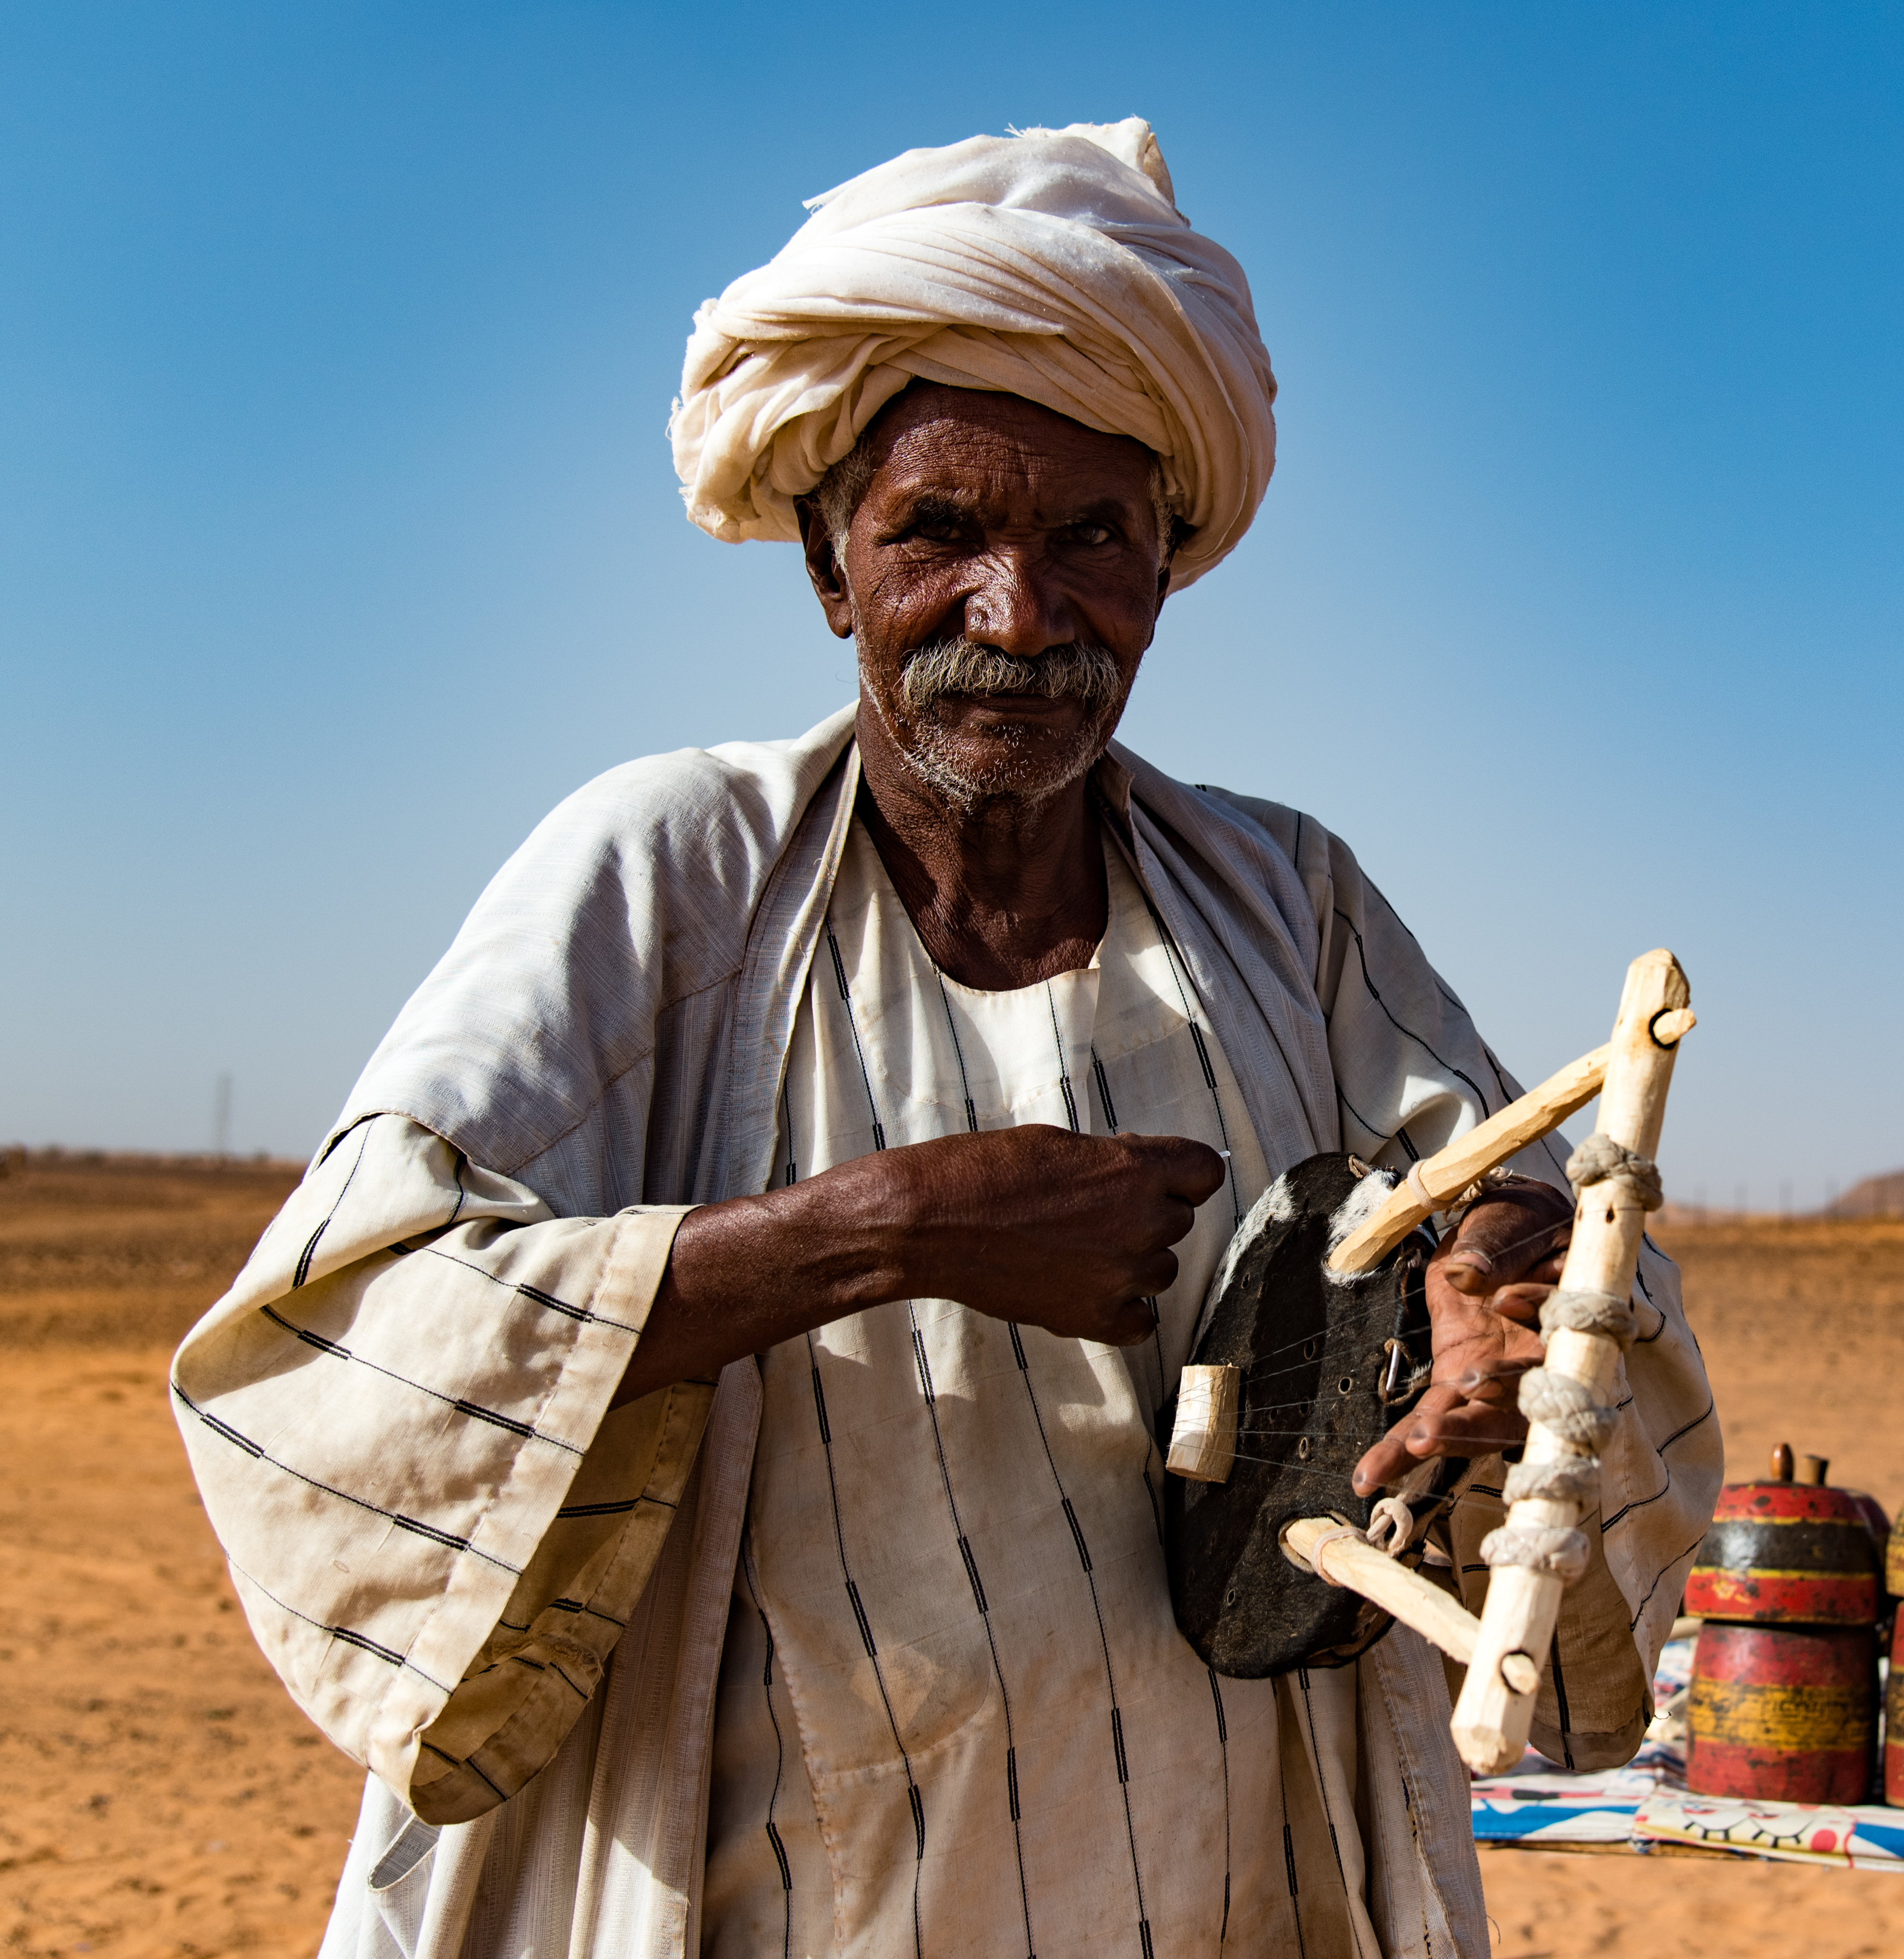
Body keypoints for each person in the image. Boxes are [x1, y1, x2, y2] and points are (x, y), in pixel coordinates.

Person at [170, 119, 1719, 1959]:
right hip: (760, 1889)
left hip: (1222, 1886)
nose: (1019, 613)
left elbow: (1526, 1203)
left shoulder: (1282, 897)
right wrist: (881, 1230)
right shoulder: (669, 871)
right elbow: (355, 1341)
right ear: (834, 571)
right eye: (941, 535)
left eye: (1088, 541)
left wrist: (1493, 1287)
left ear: (1167, 563)